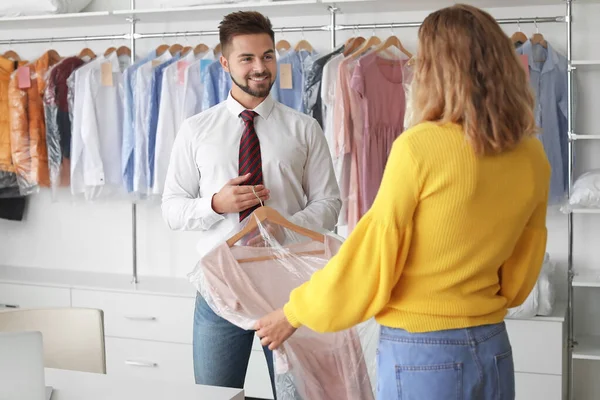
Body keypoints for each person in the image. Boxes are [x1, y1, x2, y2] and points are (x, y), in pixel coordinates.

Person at [255, 4, 550, 400]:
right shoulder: (532, 154)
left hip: (424, 352)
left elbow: (372, 255)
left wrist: (294, 312)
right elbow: (518, 278)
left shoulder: (420, 146)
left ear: (435, 68)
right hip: (493, 347)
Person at [160, 10, 341, 395]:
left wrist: (284, 225)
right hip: (220, 287)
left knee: (297, 395)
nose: (260, 67)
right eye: (247, 58)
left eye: (268, 56)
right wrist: (215, 204)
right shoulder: (196, 130)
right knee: (215, 395)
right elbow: (172, 208)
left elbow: (329, 202)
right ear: (224, 62)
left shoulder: (304, 128)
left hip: (290, 290)